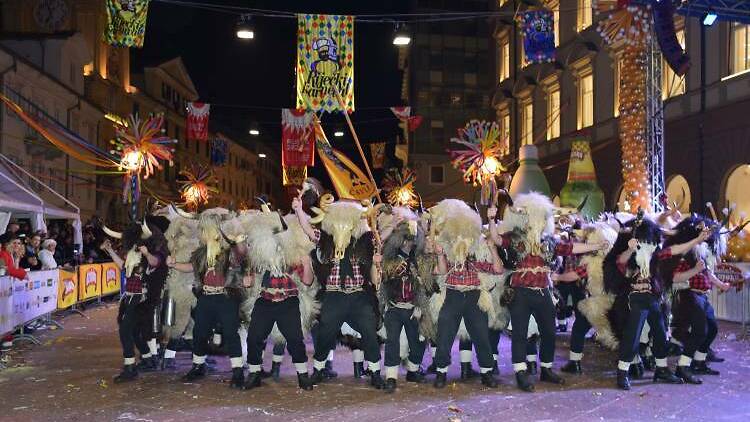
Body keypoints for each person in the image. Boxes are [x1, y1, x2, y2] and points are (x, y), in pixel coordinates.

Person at [488, 193, 605, 392]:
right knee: (519, 334)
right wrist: (491, 219)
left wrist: (596, 245)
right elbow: (497, 239)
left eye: (543, 218)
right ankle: (520, 372)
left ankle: (546, 369)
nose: (540, 221)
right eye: (536, 217)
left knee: (549, 332)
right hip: (521, 292)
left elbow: (570, 247)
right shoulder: (516, 238)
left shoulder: (549, 242)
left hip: (543, 292)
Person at [604, 212, 708, 390]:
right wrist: (630, 248)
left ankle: (662, 369)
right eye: (646, 241)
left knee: (660, 333)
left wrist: (697, 240)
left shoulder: (655, 254)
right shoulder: (632, 255)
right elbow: (620, 262)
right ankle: (622, 373)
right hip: (635, 298)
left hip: (652, 298)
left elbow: (677, 249)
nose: (649, 245)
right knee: (632, 335)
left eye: (651, 242)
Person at [294, 194, 386, 389]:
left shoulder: (364, 241)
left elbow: (377, 250)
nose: (342, 227)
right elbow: (310, 231)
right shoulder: (326, 240)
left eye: (347, 223)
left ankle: (375, 372)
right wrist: (298, 210)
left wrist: (377, 260)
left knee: (369, 330)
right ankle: (318, 370)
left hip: (358, 295)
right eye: (339, 223)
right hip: (334, 294)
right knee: (326, 331)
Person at [170, 212, 248, 389]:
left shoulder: (229, 250)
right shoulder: (201, 253)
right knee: (199, 332)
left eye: (206, 229)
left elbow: (242, 253)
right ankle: (198, 366)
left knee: (231, 334)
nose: (203, 233)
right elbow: (191, 267)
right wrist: (174, 265)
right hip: (206, 297)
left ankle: (237, 371)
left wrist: (238, 240)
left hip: (225, 297)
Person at [430, 199, 502, 389]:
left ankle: (487, 372)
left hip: (473, 297)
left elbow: (498, 269)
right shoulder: (450, 253)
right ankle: (441, 373)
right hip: (453, 296)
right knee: (444, 334)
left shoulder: (476, 258)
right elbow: (443, 270)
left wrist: (492, 248)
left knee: (481, 335)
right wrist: (439, 255)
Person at [241, 207, 315, 391]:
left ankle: (303, 374)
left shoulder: (292, 255)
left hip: (288, 302)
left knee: (295, 340)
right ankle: (255, 373)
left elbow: (307, 281)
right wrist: (247, 281)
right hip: (264, 300)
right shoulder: (259, 256)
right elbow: (249, 277)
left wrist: (306, 263)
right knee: (254, 338)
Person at [660, 215, 730, 384]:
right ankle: (682, 367)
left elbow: (707, 273)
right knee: (700, 331)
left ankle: (699, 362)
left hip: (702, 296)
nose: (706, 236)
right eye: (702, 233)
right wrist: (695, 270)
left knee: (712, 329)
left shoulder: (701, 252)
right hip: (689, 295)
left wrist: (721, 284)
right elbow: (675, 278)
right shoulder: (684, 255)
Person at [102, 220, 168, 383]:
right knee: (133, 332)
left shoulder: (156, 251)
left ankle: (130, 367)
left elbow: (155, 262)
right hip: (130, 297)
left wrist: (146, 253)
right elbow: (124, 267)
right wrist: (110, 250)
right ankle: (147, 358)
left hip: (142, 299)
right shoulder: (133, 254)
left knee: (126, 330)